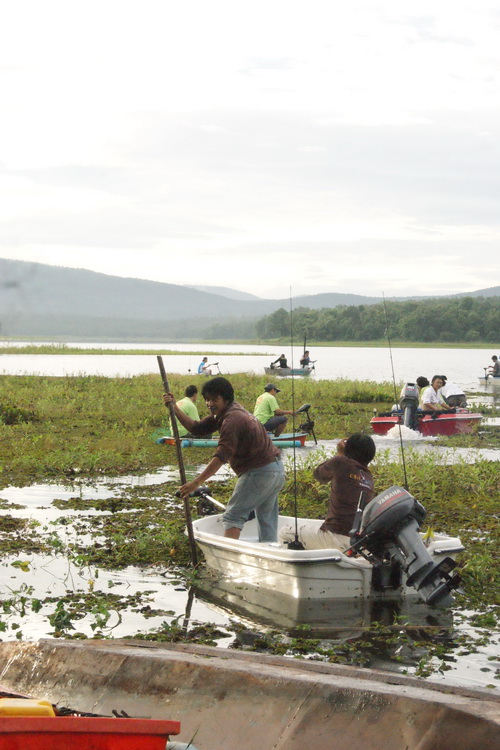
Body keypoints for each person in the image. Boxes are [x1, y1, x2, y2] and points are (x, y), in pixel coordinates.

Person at [163, 377, 285, 542]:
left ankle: (229, 557)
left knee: (233, 516)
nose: (209, 403)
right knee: (266, 518)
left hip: (259, 472)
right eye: (207, 399)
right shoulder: (227, 413)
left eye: (214, 399)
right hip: (276, 471)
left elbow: (221, 456)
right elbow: (196, 428)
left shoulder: (231, 420)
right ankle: (270, 552)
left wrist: (196, 483)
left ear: (226, 399)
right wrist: (174, 408)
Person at [278, 434, 376, 551]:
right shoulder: (368, 476)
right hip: (355, 540)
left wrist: (340, 453)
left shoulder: (340, 462)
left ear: (347, 450)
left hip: (335, 536)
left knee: (285, 533)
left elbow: (319, 475)